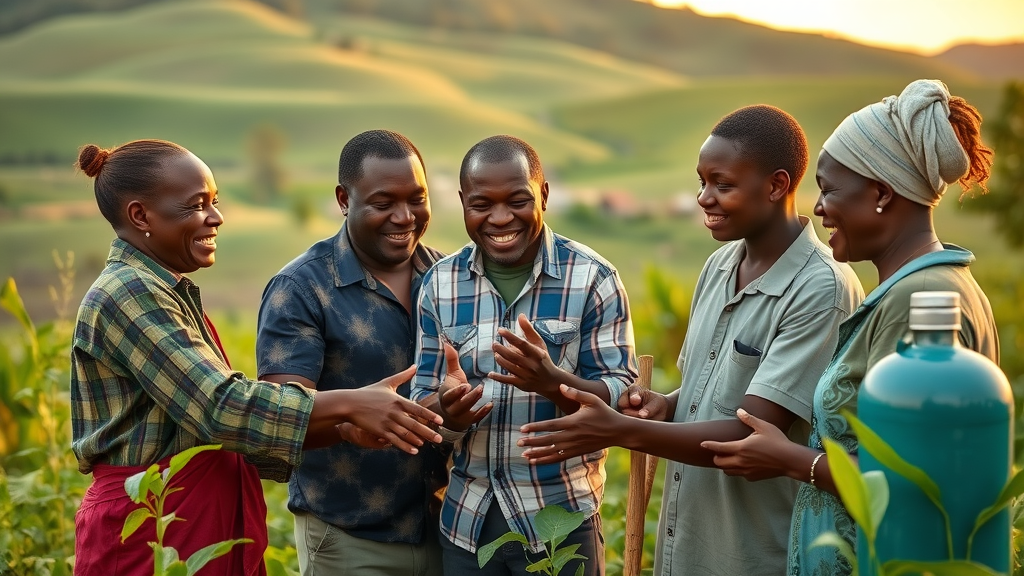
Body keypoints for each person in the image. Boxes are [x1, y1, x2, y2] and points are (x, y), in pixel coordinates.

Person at [70, 139, 446, 576]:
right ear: (140, 216)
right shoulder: (128, 294)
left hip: (188, 518)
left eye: (214, 202)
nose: (216, 217)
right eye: (196, 206)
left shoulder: (163, 289)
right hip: (150, 527)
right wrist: (353, 403)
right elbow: (221, 407)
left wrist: (346, 426)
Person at [517, 105, 864, 575]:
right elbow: (711, 390)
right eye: (702, 182)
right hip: (687, 547)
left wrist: (622, 430)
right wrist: (668, 403)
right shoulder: (719, 267)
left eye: (723, 184)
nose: (704, 197)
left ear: (777, 185)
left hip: (755, 552)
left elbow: (750, 432)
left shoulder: (821, 289)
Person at [698, 79, 999, 576]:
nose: (817, 207)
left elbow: (927, 483)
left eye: (830, 188)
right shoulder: (917, 289)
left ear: (880, 192)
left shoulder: (923, 301)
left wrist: (796, 460)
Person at [410, 135, 638, 576]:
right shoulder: (439, 284)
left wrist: (554, 383)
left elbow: (621, 393)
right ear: (462, 202)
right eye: (481, 204)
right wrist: (448, 411)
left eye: (517, 200)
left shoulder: (593, 278)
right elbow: (423, 403)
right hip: (467, 525)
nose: (500, 218)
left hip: (562, 519)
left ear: (544, 195)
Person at [256, 130, 446, 576]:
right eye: (383, 203)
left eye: (417, 199)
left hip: (448, 532)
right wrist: (349, 422)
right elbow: (279, 417)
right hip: (349, 538)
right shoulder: (302, 289)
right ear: (344, 199)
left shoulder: (449, 279)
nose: (405, 217)